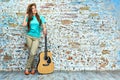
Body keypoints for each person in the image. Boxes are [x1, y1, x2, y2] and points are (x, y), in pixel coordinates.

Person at [22, 3, 47, 75]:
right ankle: (33, 68)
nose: (34, 9)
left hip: (36, 37)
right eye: (32, 8)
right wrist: (25, 16)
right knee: (31, 53)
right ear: (30, 10)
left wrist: (44, 28)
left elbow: (44, 24)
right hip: (29, 37)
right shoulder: (29, 18)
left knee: (33, 53)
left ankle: (27, 68)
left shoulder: (40, 17)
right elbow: (24, 25)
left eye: (35, 8)